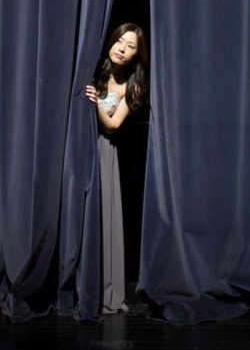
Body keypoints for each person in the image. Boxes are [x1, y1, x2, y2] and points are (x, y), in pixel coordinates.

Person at [85, 23, 149, 314]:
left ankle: (105, 289)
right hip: (77, 146)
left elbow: (112, 125)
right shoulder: (92, 65)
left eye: (131, 46)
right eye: (120, 41)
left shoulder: (131, 85)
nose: (122, 48)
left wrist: (95, 102)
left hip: (103, 150)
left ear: (137, 54)